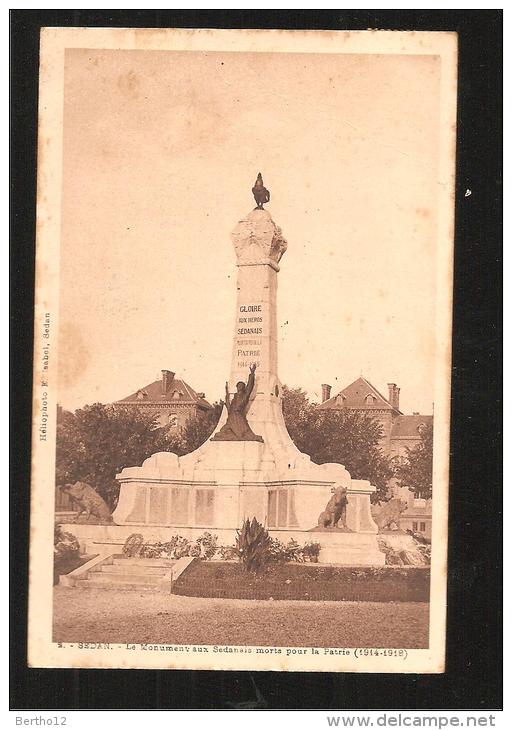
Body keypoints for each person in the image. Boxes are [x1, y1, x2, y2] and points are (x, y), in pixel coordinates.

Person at [212, 363, 263, 442]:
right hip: (232, 417)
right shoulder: (235, 397)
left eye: (241, 385)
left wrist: (252, 374)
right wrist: (226, 395)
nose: (240, 387)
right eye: (238, 385)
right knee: (220, 433)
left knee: (244, 432)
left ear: (243, 388)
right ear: (236, 387)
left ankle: (253, 437)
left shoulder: (245, 395)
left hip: (238, 416)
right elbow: (229, 407)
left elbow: (250, 386)